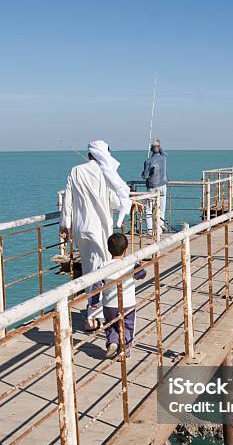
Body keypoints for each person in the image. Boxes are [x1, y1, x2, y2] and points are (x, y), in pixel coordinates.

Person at [59, 141, 132, 331]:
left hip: (82, 229)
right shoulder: (106, 172)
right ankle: (94, 317)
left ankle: (94, 314)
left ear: (89, 154)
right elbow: (116, 202)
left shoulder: (75, 171)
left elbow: (68, 200)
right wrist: (128, 205)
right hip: (101, 230)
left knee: (89, 270)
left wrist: (64, 225)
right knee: (101, 273)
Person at [102, 233, 146, 359]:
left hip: (108, 304)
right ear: (126, 250)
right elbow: (141, 275)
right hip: (127, 304)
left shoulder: (103, 265)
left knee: (111, 325)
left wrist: (94, 302)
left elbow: (96, 284)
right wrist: (139, 265)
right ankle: (125, 349)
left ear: (108, 249)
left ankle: (113, 342)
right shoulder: (130, 263)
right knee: (127, 325)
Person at [142, 139, 168, 235]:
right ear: (159, 148)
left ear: (151, 149)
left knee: (148, 209)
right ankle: (160, 228)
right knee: (161, 209)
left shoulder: (148, 161)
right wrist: (158, 145)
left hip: (152, 187)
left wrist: (143, 173)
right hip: (163, 186)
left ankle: (149, 230)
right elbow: (165, 153)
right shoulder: (163, 158)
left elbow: (145, 176)